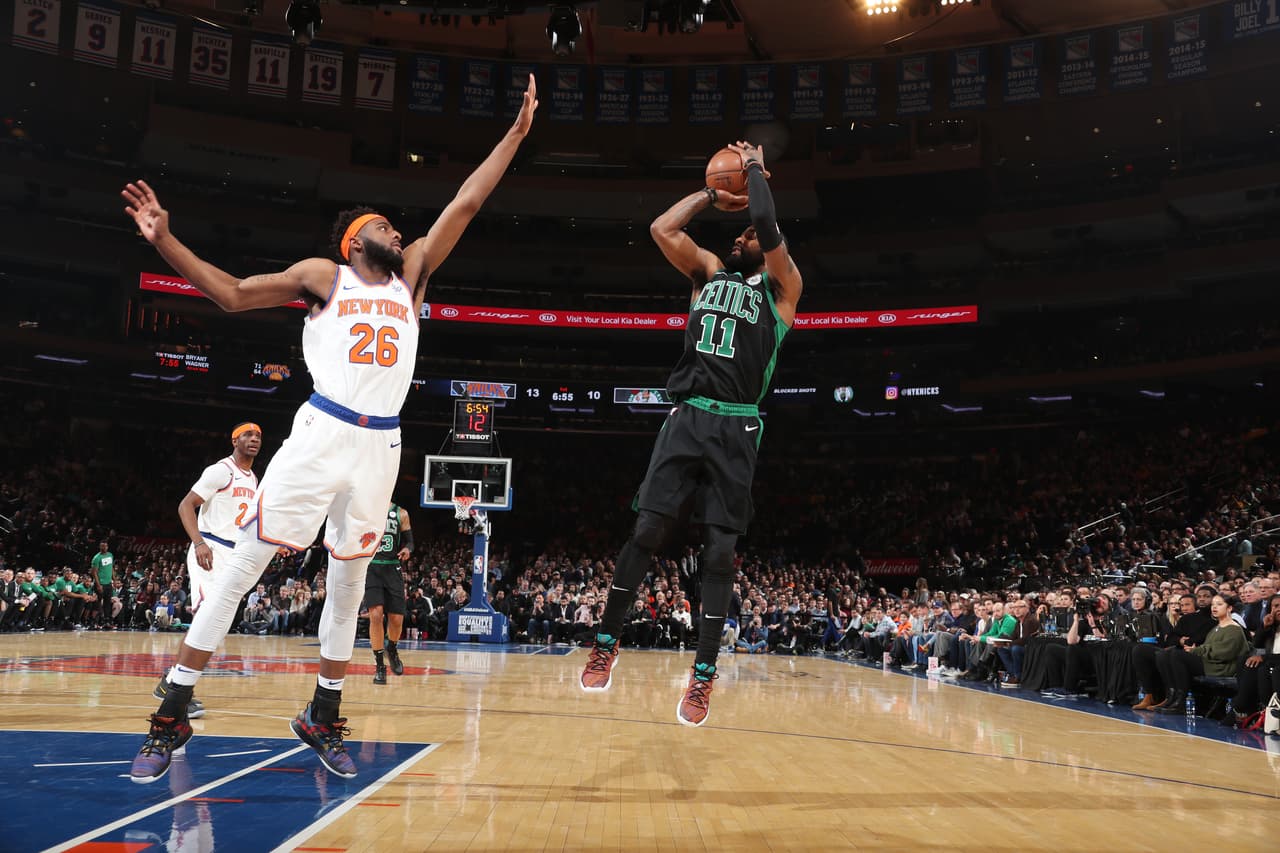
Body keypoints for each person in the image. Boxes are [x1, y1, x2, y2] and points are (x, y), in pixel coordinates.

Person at [122, 77, 539, 783]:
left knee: (350, 583)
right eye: (385, 227)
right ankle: (172, 710)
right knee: (245, 566)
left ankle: (322, 711)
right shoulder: (326, 276)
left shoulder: (413, 279)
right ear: (355, 242)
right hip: (322, 433)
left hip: (382, 444)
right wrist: (166, 241)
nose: (400, 234)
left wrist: (517, 134)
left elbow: (467, 200)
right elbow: (229, 294)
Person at [579, 140, 803, 727]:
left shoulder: (783, 290)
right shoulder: (706, 274)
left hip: (737, 423)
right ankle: (607, 640)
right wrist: (711, 192)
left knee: (721, 551)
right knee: (648, 528)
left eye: (749, 238)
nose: (741, 239)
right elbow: (661, 228)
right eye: (738, 236)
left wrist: (752, 172)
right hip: (688, 415)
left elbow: (763, 219)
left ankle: (703, 676)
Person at [364, 502, 413, 684]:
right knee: (375, 615)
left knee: (396, 619)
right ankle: (379, 667)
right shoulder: (366, 509)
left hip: (393, 569)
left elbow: (410, 541)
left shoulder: (401, 513)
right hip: (371, 568)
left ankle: (391, 648)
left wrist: (407, 549)